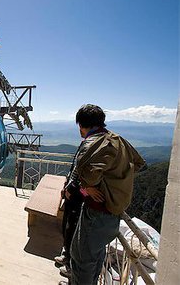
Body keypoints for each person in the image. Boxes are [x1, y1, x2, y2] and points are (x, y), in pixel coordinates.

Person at [68, 104, 145, 285]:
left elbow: (85, 172)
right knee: (95, 255)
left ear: (82, 124)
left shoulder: (94, 143)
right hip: (113, 210)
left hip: (97, 211)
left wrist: (87, 186)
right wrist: (114, 183)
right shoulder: (117, 139)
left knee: (82, 259)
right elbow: (138, 163)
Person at [55, 143, 83, 279]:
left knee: (72, 228)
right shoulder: (85, 145)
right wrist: (67, 186)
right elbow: (75, 171)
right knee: (68, 226)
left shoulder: (91, 147)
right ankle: (67, 255)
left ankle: (71, 264)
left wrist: (75, 190)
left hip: (77, 198)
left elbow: (85, 180)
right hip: (71, 195)